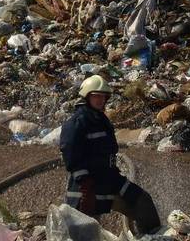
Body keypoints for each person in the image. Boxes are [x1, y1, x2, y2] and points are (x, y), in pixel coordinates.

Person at [60, 75, 161, 235]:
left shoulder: (100, 119)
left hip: (109, 177)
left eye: (103, 97)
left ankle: (152, 237)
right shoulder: (78, 122)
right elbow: (70, 153)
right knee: (87, 228)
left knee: (142, 201)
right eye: (96, 96)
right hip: (88, 185)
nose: (101, 100)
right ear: (87, 96)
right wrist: (85, 183)